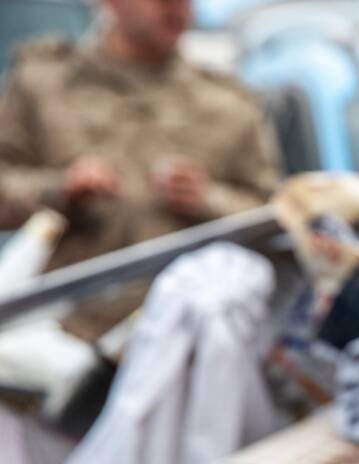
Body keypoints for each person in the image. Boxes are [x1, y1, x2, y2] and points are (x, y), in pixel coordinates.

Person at [0, 0, 280, 276]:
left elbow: (278, 218)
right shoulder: (42, 85)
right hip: (63, 312)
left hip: (190, 306)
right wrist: (60, 190)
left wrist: (208, 198)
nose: (175, 6)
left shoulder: (229, 104)